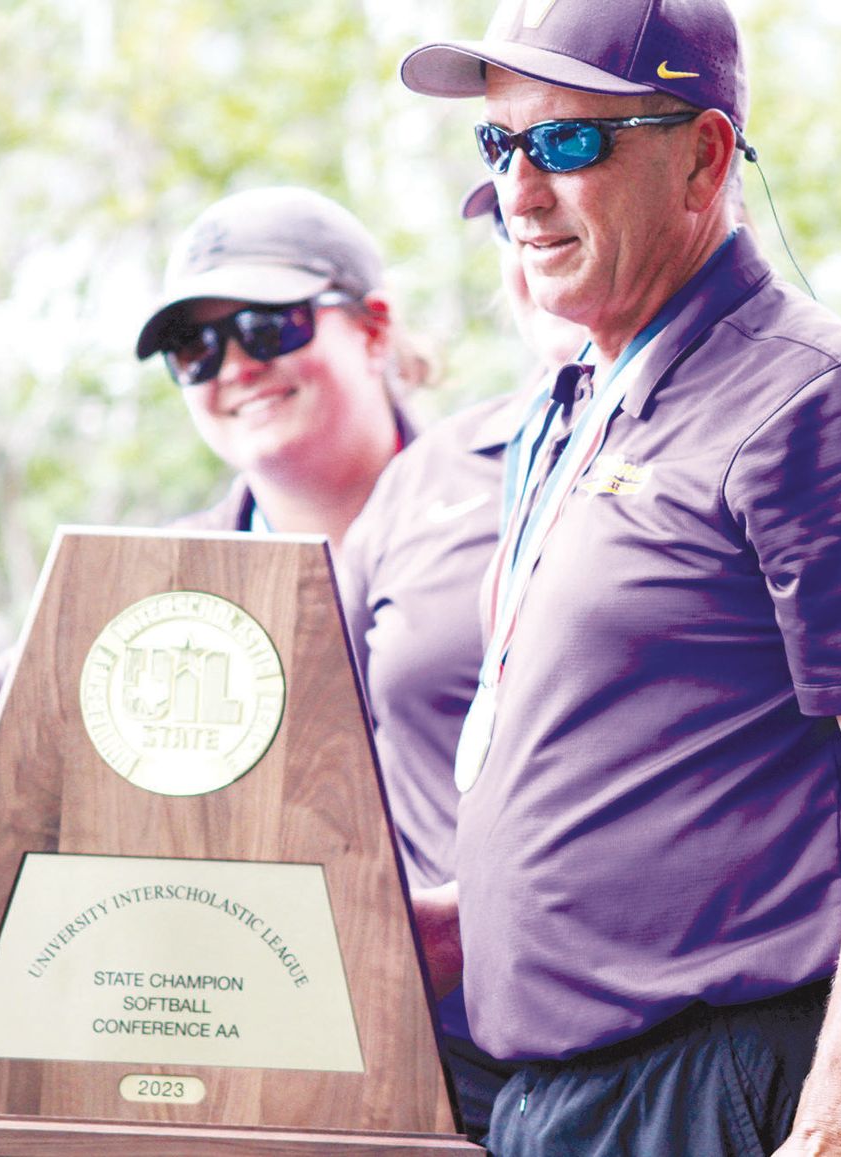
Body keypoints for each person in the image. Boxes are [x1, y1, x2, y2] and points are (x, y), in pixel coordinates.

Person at [398, 1, 841, 1154]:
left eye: (569, 142)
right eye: (498, 144)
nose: (521, 191)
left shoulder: (825, 408)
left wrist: (834, 1132)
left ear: (704, 158)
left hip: (707, 1090)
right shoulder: (588, 405)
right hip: (543, 1097)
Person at [0, 185, 417, 849]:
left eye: (268, 325)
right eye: (196, 348)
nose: (238, 366)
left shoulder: (508, 511)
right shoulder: (155, 582)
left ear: (374, 328)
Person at [338, 178, 584, 1141]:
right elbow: (320, 740)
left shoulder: (753, 430)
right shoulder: (429, 475)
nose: (539, 242)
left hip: (669, 1048)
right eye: (513, 231)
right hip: (429, 1053)